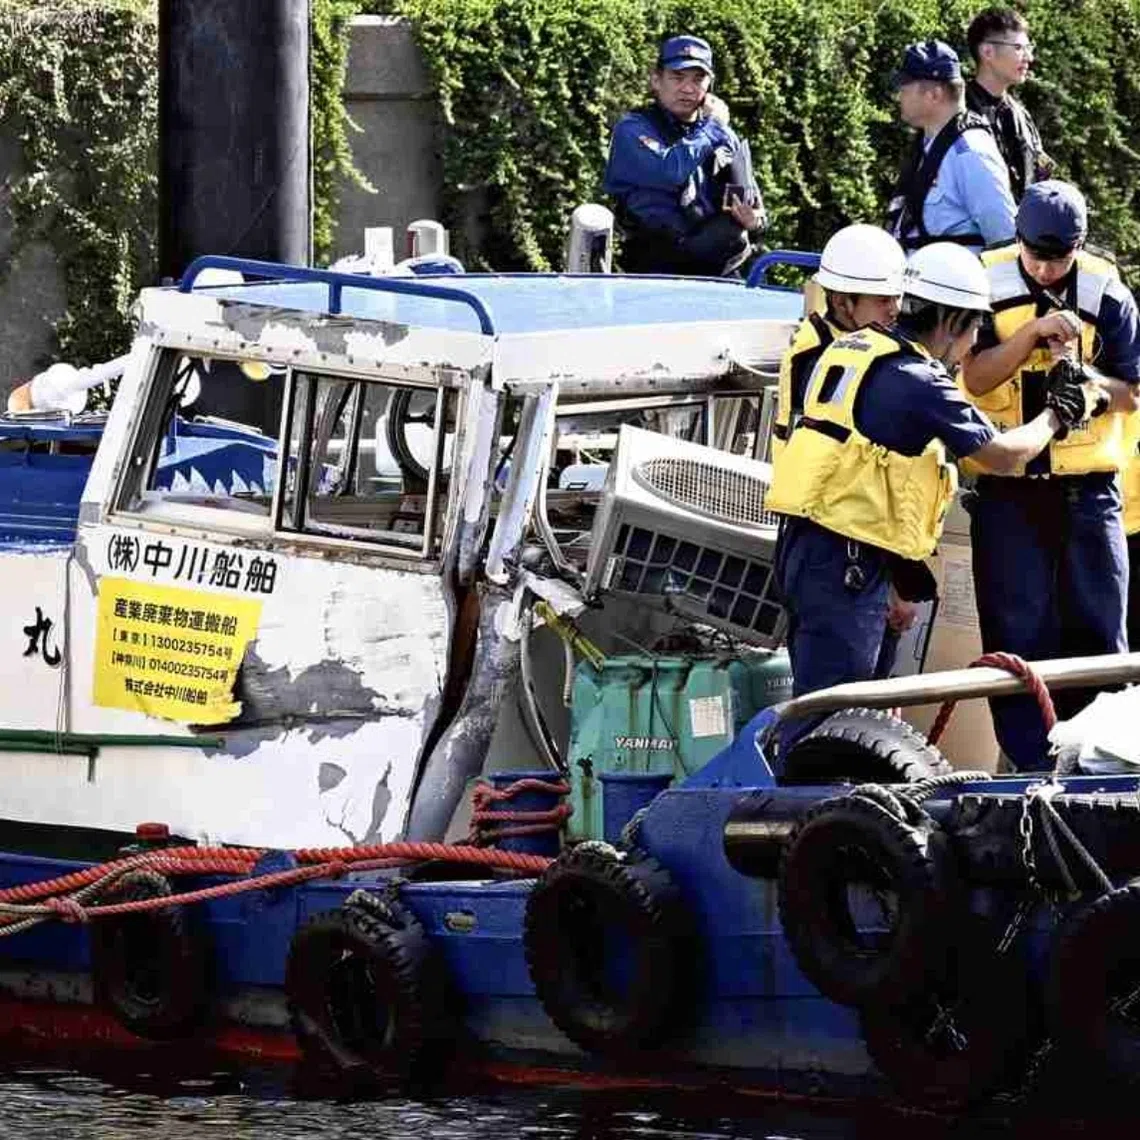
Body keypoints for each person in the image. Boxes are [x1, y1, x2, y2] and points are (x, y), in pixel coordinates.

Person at [767, 241, 1091, 756]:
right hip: (843, 564)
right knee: (832, 727)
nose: (972, 344)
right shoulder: (915, 379)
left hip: (829, 550)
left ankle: (839, 802)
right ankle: (799, 804)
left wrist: (900, 580)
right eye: (975, 328)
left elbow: (879, 473)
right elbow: (1004, 455)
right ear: (951, 321)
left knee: (852, 722)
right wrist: (1057, 414)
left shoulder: (861, 348)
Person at [960, 179, 1140, 769]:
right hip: (1009, 494)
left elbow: (1131, 392)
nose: (1043, 268)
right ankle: (1028, 767)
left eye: (1057, 258)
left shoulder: (1107, 293)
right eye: (1034, 255)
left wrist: (1088, 386)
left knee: (1101, 635)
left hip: (1089, 493)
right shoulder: (984, 283)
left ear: (1078, 247)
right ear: (1017, 239)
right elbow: (975, 377)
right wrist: (1032, 335)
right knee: (1017, 637)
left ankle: (1103, 766)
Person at [603, 35, 766, 277]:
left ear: (709, 85)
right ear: (656, 80)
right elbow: (671, 171)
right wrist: (713, 129)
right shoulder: (633, 129)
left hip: (718, 271)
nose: (688, 89)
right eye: (677, 77)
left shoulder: (722, 135)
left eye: (698, 79)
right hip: (654, 273)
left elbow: (753, 204)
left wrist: (754, 220)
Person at [886, 40, 1016, 253]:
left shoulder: (971, 152)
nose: (899, 96)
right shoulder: (927, 145)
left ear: (934, 95)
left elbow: (1005, 240)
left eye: (905, 88)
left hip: (955, 274)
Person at [965, 7, 1053, 201]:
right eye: (1018, 48)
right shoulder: (955, 113)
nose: (1029, 57)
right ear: (987, 51)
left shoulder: (1021, 117)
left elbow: (1040, 177)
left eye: (1029, 48)